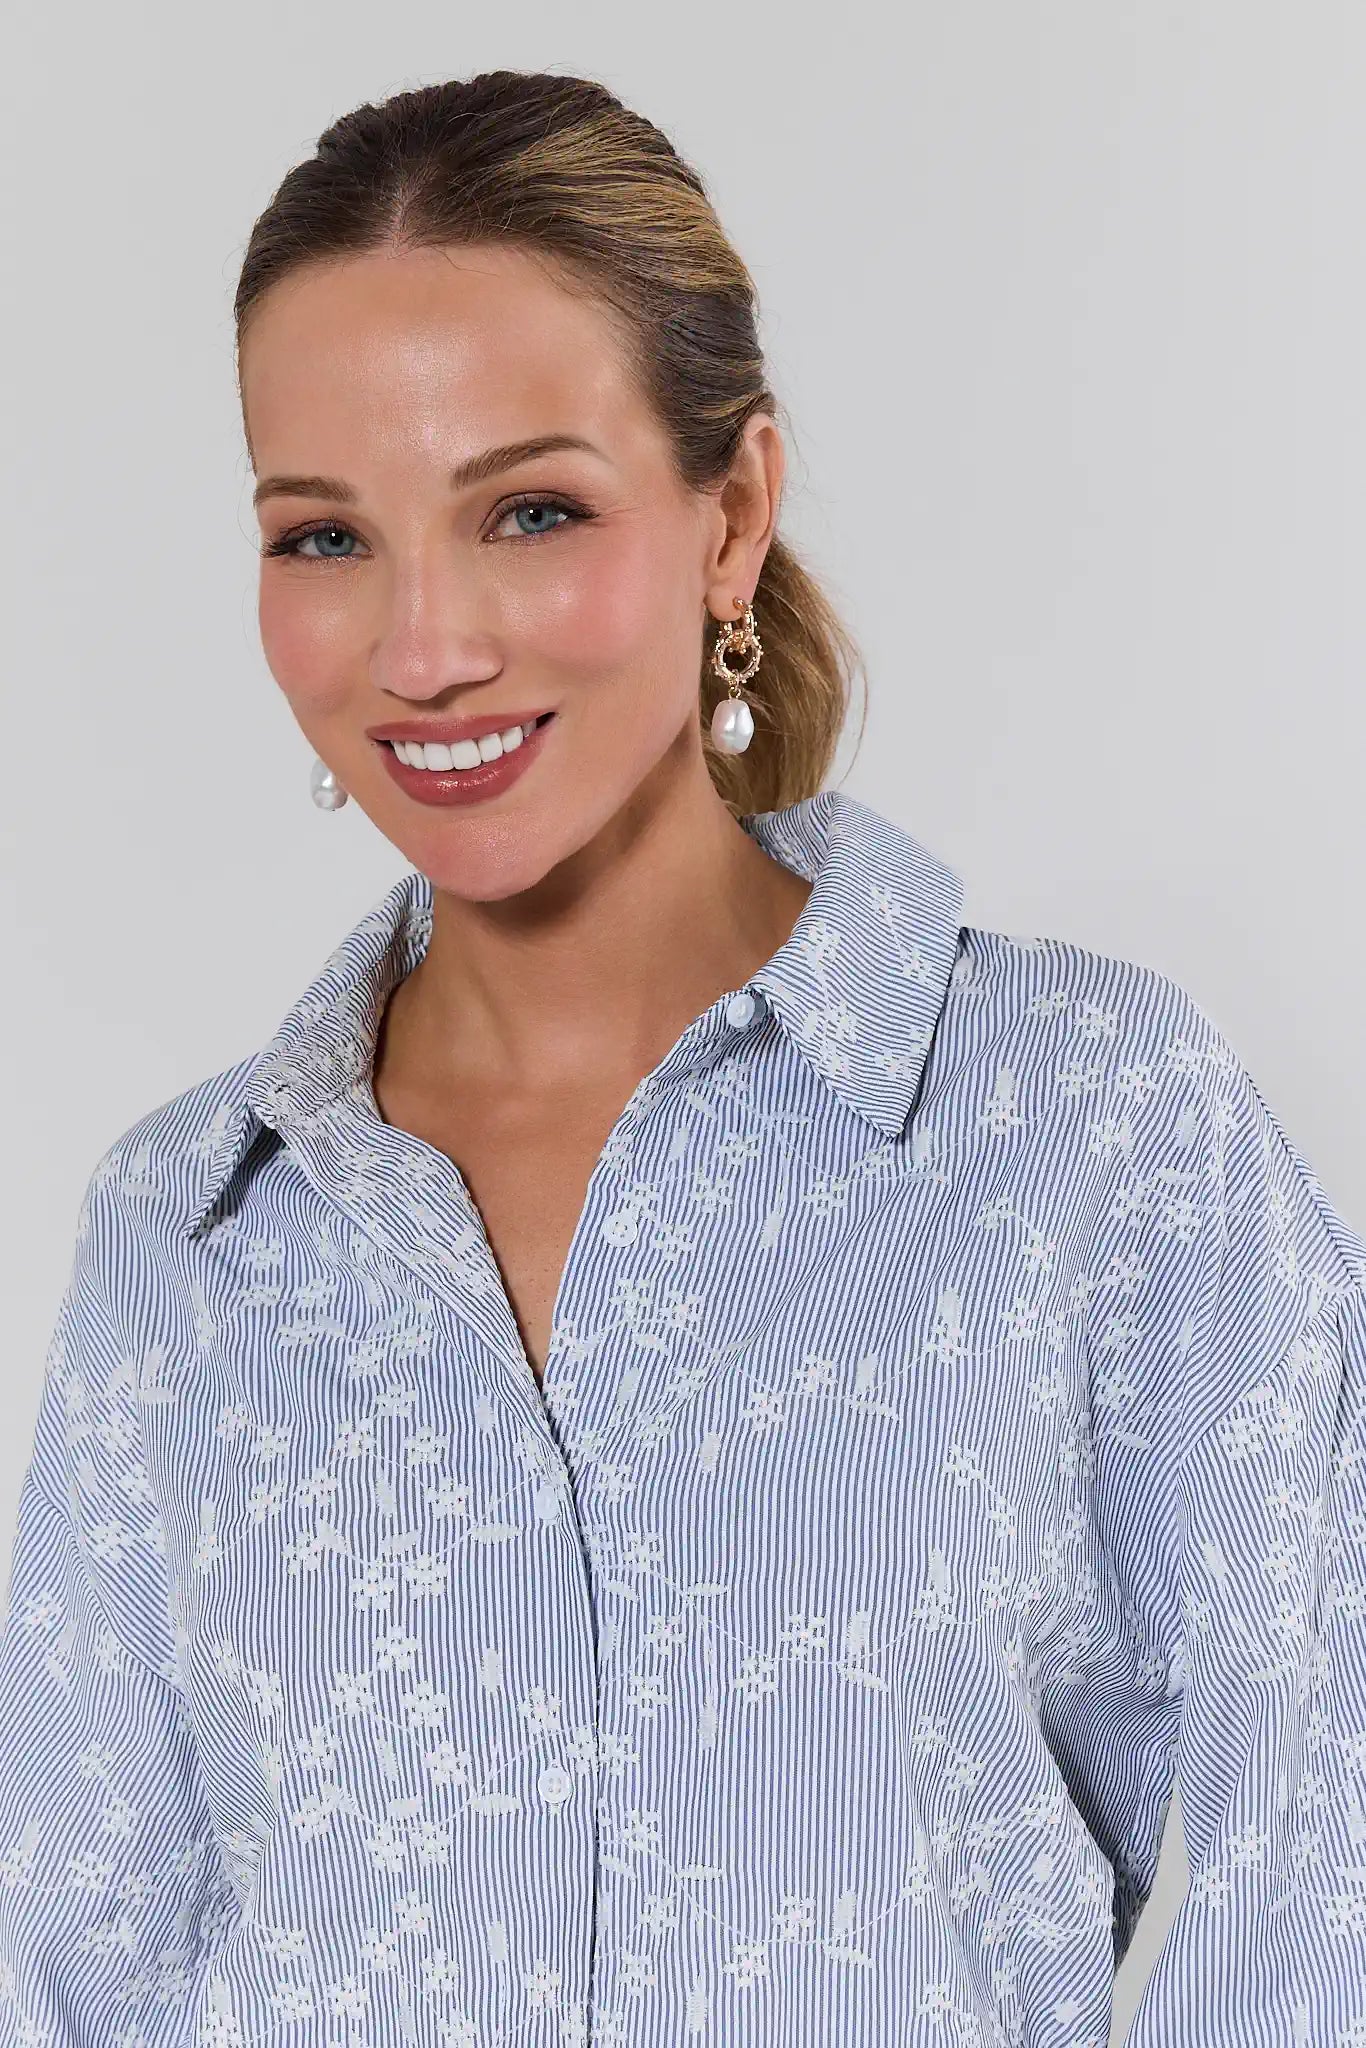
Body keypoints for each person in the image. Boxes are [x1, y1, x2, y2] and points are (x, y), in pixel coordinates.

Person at [2, 67, 1363, 2048]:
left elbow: (1318, 1854)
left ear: (729, 514)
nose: (421, 644)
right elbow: (64, 1973)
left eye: (527, 510)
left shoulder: (1083, 1122)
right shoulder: (186, 1239)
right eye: (323, 537)